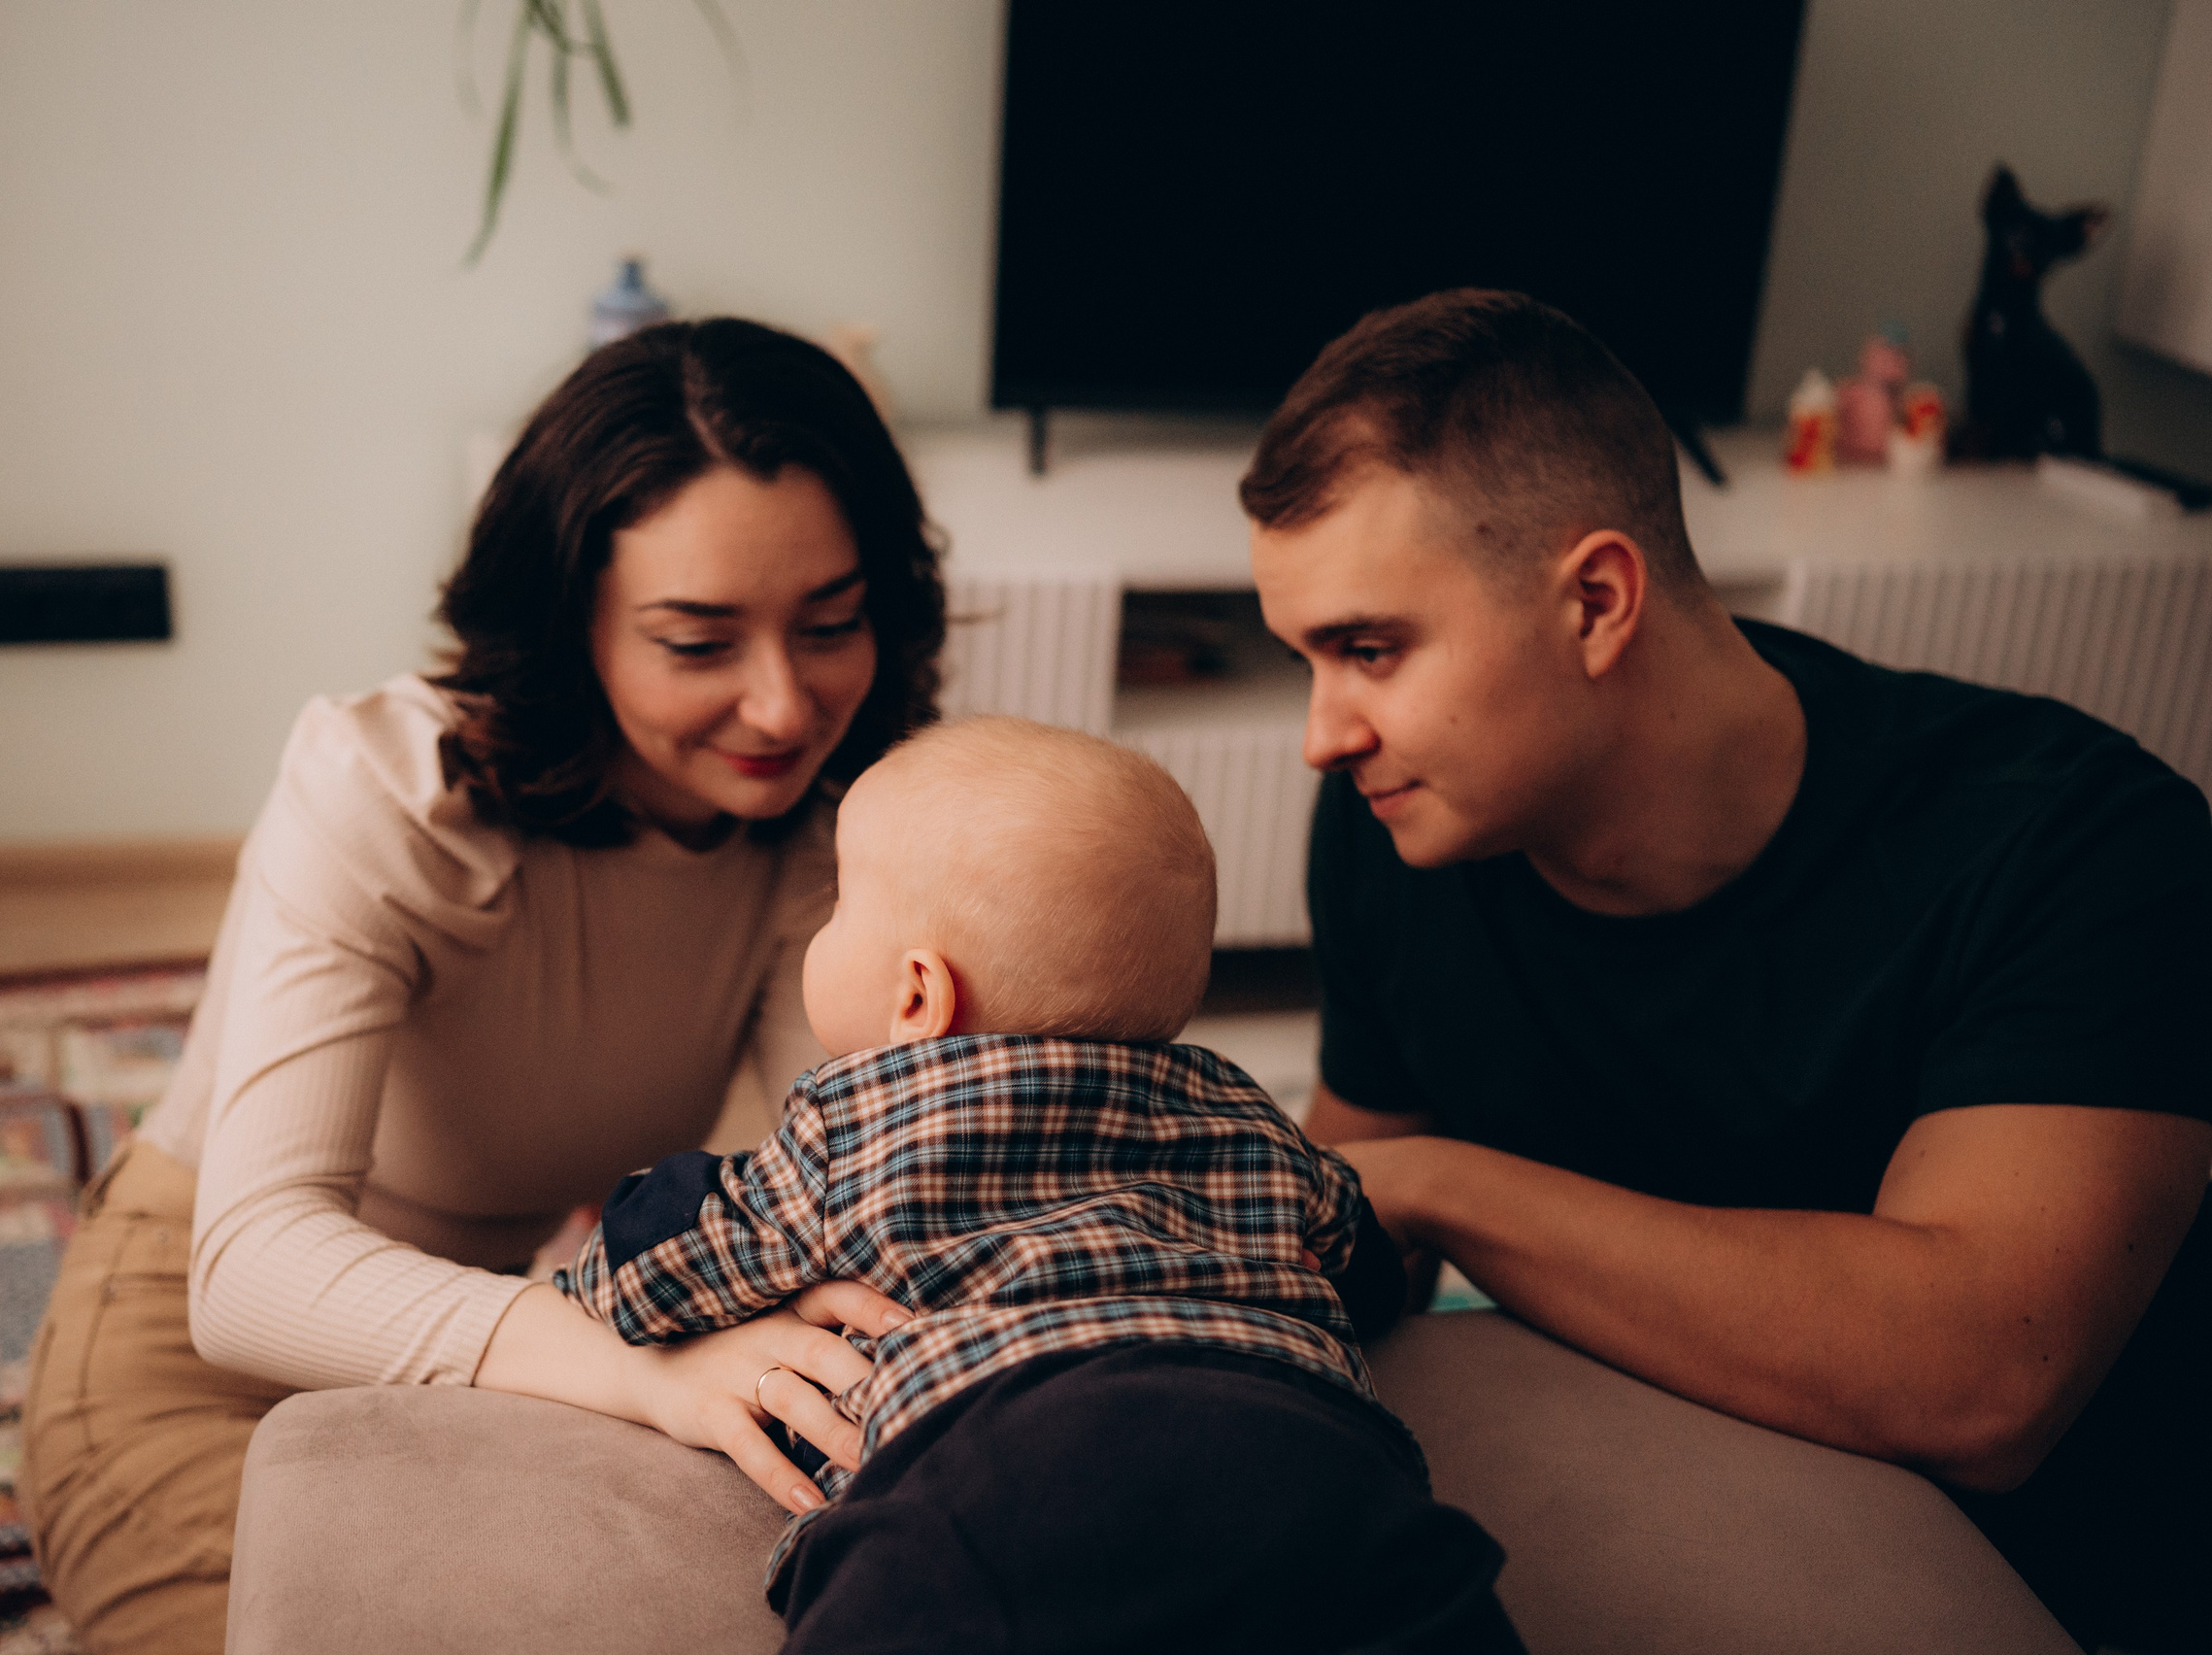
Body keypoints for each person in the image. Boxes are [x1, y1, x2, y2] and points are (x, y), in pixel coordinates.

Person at [1246, 288, 2212, 1653]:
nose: (1321, 736)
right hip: (1649, 1493)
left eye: (1367, 651)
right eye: (1306, 660)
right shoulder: (1399, 824)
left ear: (1595, 600)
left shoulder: (2080, 841)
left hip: (2052, 1573)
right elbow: (1353, 1216)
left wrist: (1445, 1188)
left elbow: (1988, 1378)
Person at [18, 318, 947, 1653]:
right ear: (574, 626)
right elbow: (252, 1270)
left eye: (832, 625)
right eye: (698, 643)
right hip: (196, 1358)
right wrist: (640, 1369)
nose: (784, 707)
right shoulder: (383, 791)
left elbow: (856, 1175)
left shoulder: (819, 827)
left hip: (504, 1356)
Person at [560, 717, 1525, 1655]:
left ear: (915, 995)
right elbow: (1363, 1272)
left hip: (998, 1474)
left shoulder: (848, 1131)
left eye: (836, 903)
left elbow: (649, 1279)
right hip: (1303, 1454)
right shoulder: (1242, 1110)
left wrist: (635, 1223)